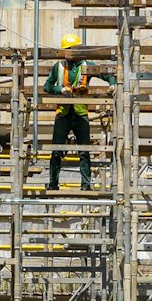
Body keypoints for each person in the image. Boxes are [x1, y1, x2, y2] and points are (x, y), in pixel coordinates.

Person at [43, 34, 115, 192]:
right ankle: (54, 183)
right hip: (63, 114)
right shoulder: (59, 67)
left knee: (84, 150)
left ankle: (86, 184)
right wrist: (60, 89)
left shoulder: (87, 65)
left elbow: (108, 74)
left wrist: (112, 84)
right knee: (56, 151)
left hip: (81, 113)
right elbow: (47, 87)